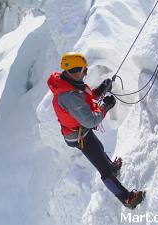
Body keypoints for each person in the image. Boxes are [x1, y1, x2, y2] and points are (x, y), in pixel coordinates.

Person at [47, 52, 145, 209]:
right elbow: (91, 119)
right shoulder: (68, 96)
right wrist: (105, 106)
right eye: (84, 70)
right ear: (73, 71)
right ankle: (127, 199)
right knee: (104, 170)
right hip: (79, 136)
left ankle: (112, 167)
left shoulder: (70, 84)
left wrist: (99, 91)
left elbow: (83, 99)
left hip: (80, 131)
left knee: (98, 148)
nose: (86, 73)